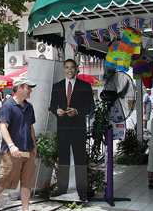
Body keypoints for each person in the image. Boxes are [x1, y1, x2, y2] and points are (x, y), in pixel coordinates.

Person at [0, 77, 37, 211]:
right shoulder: (8, 106)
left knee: (27, 183)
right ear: (19, 88)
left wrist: (34, 145)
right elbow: (3, 127)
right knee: (6, 180)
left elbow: (30, 127)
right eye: (28, 88)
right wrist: (11, 145)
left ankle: (25, 209)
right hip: (11, 152)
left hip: (28, 150)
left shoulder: (29, 107)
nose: (31, 91)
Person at [49, 59, 94, 202]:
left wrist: (78, 112)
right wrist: (57, 111)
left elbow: (90, 107)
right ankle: (62, 188)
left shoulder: (85, 86)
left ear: (76, 69)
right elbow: (52, 106)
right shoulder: (56, 86)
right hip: (62, 127)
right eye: (67, 67)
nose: (70, 70)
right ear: (63, 69)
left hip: (78, 128)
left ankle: (82, 190)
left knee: (80, 158)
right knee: (63, 158)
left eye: (72, 67)